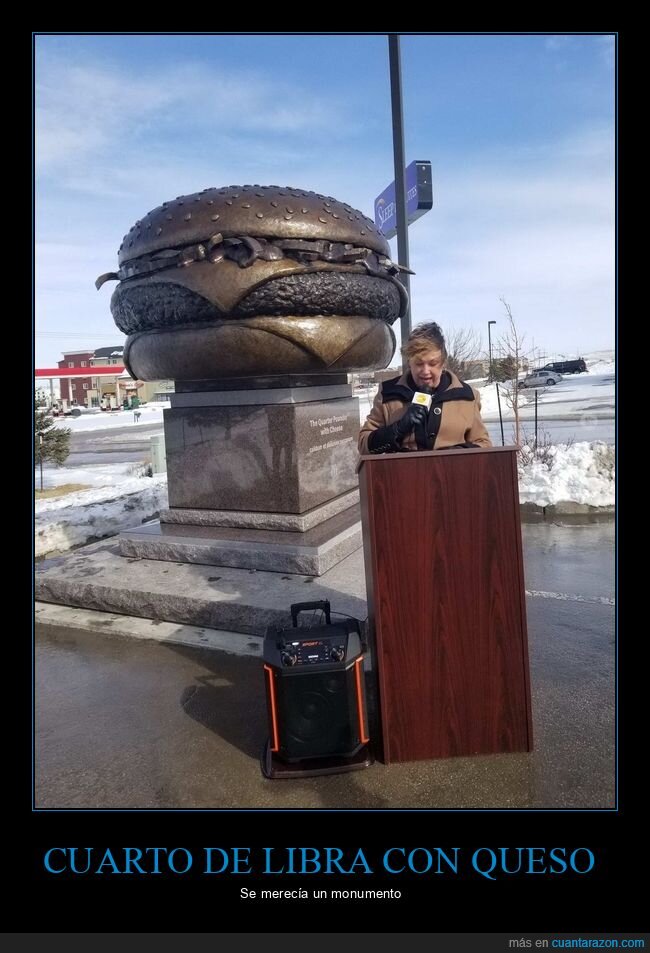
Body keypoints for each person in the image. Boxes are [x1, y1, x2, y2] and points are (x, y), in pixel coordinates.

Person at [358, 321, 492, 454]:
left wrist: (454, 455)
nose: (425, 371)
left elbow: (484, 444)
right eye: (419, 363)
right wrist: (398, 429)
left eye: (433, 363)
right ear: (409, 362)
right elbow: (363, 445)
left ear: (443, 362)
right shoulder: (388, 394)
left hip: (452, 473)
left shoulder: (467, 396)